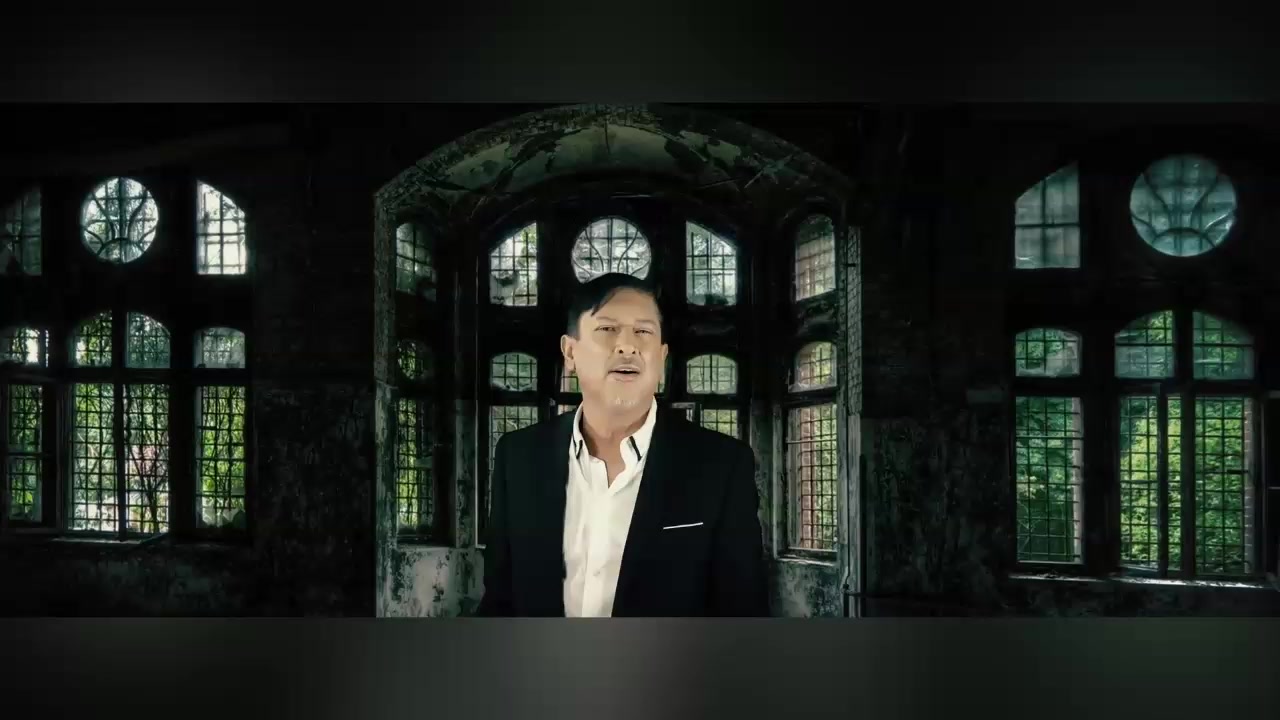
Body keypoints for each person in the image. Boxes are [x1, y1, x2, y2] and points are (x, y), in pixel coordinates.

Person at [476, 273, 770, 617]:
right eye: (607, 329)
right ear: (570, 352)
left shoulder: (722, 466)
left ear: (661, 356)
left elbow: (743, 616)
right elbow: (500, 603)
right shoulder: (518, 457)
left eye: (643, 332)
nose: (627, 346)